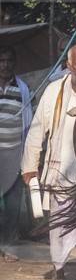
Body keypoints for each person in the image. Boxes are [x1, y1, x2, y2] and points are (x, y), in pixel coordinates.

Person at [21, 45, 76, 280]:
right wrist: (30, 167)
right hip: (60, 170)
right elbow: (36, 130)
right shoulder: (53, 92)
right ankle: (59, 271)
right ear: (68, 66)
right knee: (60, 224)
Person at [0, 46, 32, 261]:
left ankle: (9, 244)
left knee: (13, 203)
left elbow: (28, 124)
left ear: (14, 63)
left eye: (9, 61)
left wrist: (27, 159)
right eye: (1, 61)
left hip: (13, 155)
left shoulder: (22, 89)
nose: (5, 65)